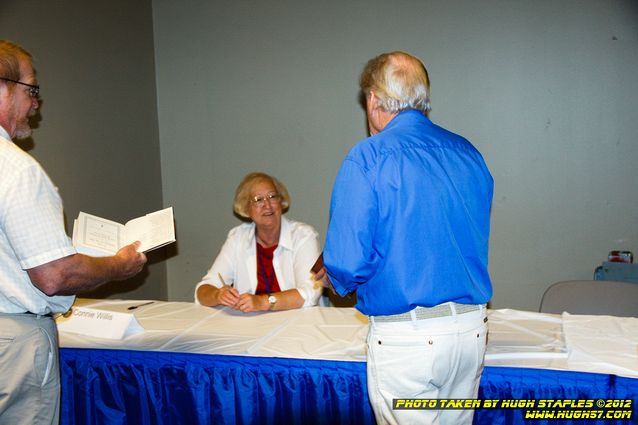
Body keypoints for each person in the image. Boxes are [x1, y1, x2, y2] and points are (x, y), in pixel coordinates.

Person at [315, 51, 494, 424]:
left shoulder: (368, 158)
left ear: (373, 100)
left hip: (409, 340)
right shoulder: (468, 153)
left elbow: (347, 262)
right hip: (470, 331)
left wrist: (337, 278)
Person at [0, 40, 147, 425]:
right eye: (32, 90)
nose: (36, 103)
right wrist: (119, 265)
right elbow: (53, 276)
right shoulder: (16, 170)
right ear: (2, 88)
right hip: (12, 346)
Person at [195, 172, 322, 312]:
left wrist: (263, 301)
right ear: (246, 209)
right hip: (251, 325)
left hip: (297, 324)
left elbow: (311, 291)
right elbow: (203, 289)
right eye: (258, 199)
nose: (267, 205)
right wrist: (218, 295)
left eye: (272, 197)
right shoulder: (237, 238)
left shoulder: (303, 236)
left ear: (281, 202)